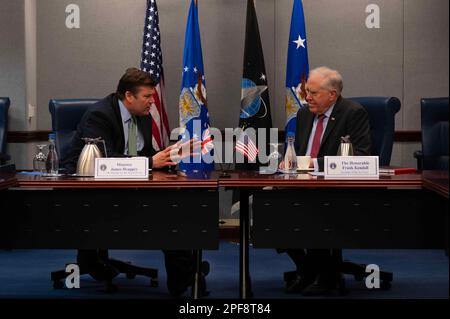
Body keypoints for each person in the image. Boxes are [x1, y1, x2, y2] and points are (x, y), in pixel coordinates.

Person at [63, 67, 207, 297]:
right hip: (89, 190)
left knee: (176, 207)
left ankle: (185, 275)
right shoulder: (99, 115)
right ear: (129, 96)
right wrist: (151, 162)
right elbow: (105, 160)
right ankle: (186, 273)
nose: (152, 101)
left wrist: (171, 156)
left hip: (127, 184)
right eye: (147, 96)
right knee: (165, 214)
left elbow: (144, 153)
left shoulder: (142, 115)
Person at [281, 66, 371, 296]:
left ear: (332, 94)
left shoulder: (353, 113)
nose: (307, 97)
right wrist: (287, 160)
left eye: (313, 92)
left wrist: (315, 164)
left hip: (337, 190)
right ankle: (308, 268)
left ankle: (326, 275)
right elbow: (296, 150)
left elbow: (361, 155)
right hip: (301, 185)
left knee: (314, 208)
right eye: (306, 91)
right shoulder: (303, 114)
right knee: (268, 208)